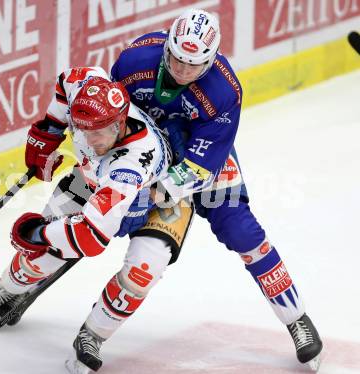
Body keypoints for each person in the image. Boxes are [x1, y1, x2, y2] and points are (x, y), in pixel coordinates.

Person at [107, 8, 323, 371]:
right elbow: (109, 119)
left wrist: (155, 191)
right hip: (141, 151)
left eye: (193, 65)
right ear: (168, 48)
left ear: (211, 59)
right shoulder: (133, 62)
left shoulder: (224, 90)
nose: (182, 69)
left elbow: (200, 166)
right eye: (177, 58)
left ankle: (297, 318)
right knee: (81, 204)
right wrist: (122, 173)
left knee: (241, 231)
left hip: (196, 158)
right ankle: (17, 282)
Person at [0, 67, 195, 373]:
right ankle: (9, 286)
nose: (89, 138)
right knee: (39, 259)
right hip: (91, 182)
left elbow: (90, 237)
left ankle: (94, 335)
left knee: (142, 272)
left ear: (120, 123)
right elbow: (66, 81)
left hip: (157, 202)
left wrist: (38, 234)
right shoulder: (86, 89)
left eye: (98, 132)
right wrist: (49, 129)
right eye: (81, 129)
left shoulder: (132, 163)